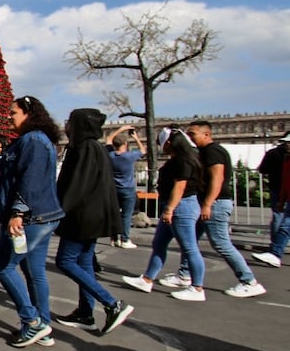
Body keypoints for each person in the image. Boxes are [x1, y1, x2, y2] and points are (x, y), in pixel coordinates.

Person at [0, 96, 64, 348]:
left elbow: (29, 180)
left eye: (13, 112)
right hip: (42, 217)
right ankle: (43, 325)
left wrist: (17, 212)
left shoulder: (32, 141)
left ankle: (32, 323)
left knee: (2, 265)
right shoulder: (38, 141)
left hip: (30, 218)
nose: (9, 116)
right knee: (34, 272)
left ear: (28, 114)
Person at [52, 109, 134, 336]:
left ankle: (112, 303)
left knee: (65, 261)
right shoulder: (95, 147)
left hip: (82, 216)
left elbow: (77, 185)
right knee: (85, 262)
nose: (66, 125)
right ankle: (85, 313)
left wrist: (58, 209)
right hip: (92, 216)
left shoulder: (84, 148)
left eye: (70, 121)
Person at [173, 121, 265, 297]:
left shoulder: (212, 151)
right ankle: (184, 274)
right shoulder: (207, 151)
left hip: (215, 203)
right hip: (208, 203)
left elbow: (217, 178)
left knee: (221, 243)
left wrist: (208, 204)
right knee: (190, 241)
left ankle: (249, 281)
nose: (190, 138)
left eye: (193, 134)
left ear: (206, 134)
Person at [123, 128, 207, 300]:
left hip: (180, 206)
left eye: (163, 144)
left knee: (189, 247)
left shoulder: (183, 161)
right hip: (175, 205)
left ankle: (197, 287)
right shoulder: (179, 159)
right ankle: (147, 279)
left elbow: (180, 186)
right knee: (159, 243)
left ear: (170, 143)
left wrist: (170, 209)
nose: (162, 148)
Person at [252, 132, 290, 269]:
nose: (287, 144)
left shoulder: (275, 154)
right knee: (285, 224)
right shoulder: (286, 159)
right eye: (286, 142)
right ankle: (275, 252)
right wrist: (283, 199)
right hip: (283, 193)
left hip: (277, 189)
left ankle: (275, 251)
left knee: (282, 222)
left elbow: (263, 169)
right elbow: (286, 181)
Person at [105, 124, 145, 248]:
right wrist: (136, 138)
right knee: (126, 215)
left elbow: (108, 140)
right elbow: (143, 151)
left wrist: (120, 130)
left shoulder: (110, 155)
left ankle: (114, 238)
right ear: (125, 145)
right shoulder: (129, 156)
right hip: (127, 188)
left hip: (114, 188)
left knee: (114, 213)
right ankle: (125, 239)